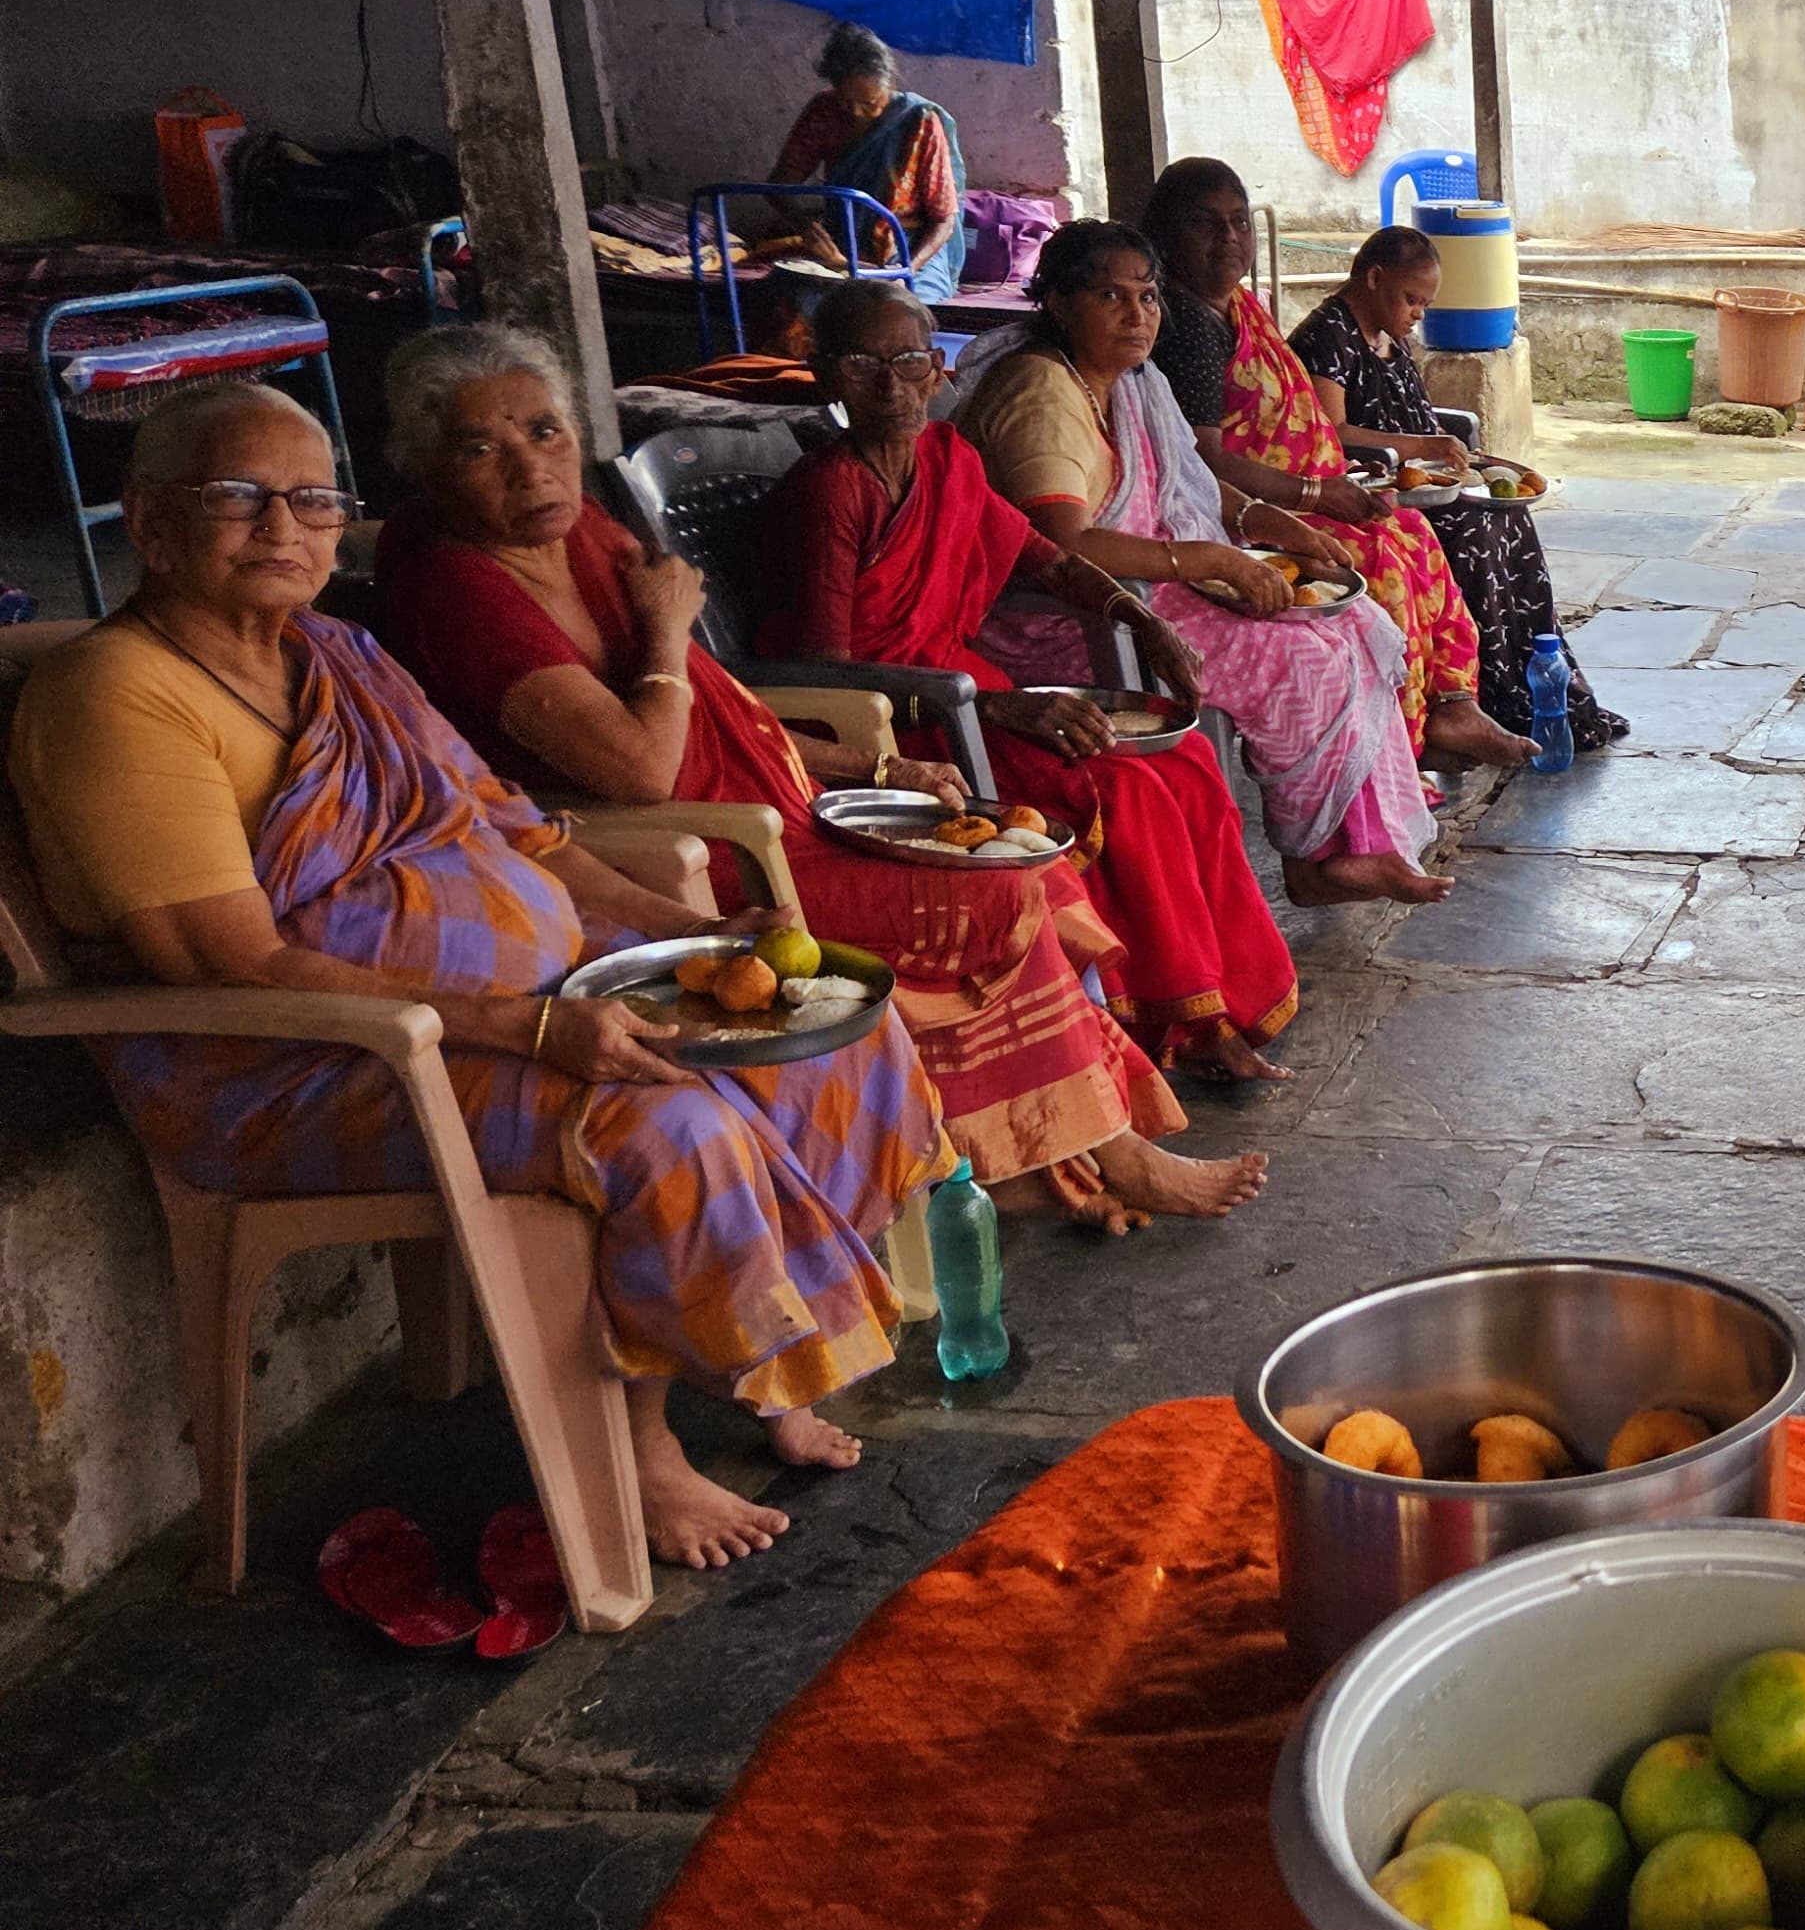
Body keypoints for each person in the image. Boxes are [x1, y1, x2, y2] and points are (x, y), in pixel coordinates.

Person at [7, 383, 946, 1569]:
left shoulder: (337, 654)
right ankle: (645, 1454)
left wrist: (703, 939)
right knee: (666, 1123)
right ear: (148, 522)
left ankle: (770, 1354)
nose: (283, 528)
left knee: (827, 1034)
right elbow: (225, 962)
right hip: (287, 1064)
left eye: (311, 500)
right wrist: (528, 1025)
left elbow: (515, 831)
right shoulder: (117, 694)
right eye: (238, 498)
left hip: (501, 1011)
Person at [372, 324, 1267, 1232]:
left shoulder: (582, 535)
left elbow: (731, 716)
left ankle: (1044, 1150)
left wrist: (877, 766)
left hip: (781, 797)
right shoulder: (463, 589)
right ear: (426, 470)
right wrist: (668, 628)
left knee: (1022, 858)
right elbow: (642, 766)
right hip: (697, 853)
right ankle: (1107, 1152)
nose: (530, 469)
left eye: (544, 431)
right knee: (996, 891)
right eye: (480, 449)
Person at [764, 280, 1303, 1084]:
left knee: (1184, 760)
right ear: (825, 374)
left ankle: (1229, 996)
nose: (891, 385)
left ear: (937, 370)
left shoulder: (948, 460)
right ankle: (1180, 1018)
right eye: (862, 364)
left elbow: (1046, 560)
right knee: (1124, 793)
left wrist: (1141, 619)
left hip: (971, 693)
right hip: (900, 719)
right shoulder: (831, 488)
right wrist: (1001, 707)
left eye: (909, 361)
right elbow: (825, 673)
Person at [951, 221, 1452, 907]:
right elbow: (1064, 545)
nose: (1137, 315)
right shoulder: (1041, 393)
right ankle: (1314, 861)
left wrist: (1272, 522)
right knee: (1302, 660)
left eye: (1148, 296)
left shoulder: (1131, 383)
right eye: (1110, 296)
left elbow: (1187, 481)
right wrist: (1212, 559)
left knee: (1354, 622)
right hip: (1069, 618)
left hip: (1150, 588)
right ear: (1060, 304)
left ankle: (1364, 844)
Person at [1139, 158, 1534, 771]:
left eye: (1239, 221)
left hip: (1314, 491)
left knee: (1415, 536)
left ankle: (1453, 705)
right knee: (1382, 567)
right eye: (1206, 224)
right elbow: (1203, 463)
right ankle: (1392, 751)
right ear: (1166, 234)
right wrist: (1315, 496)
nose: (1229, 238)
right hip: (1253, 514)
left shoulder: (1236, 307)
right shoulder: (1186, 327)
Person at [1287, 227, 1624, 752]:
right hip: (1367, 489)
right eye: (1411, 299)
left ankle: (1530, 684)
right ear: (1374, 278)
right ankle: (1475, 699)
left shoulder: (1387, 335)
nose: (1418, 313)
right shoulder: (1326, 337)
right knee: (1472, 533)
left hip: (1422, 481)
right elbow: (1336, 434)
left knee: (1510, 519)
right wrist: (1423, 446)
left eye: (1425, 303)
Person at [766, 21, 967, 302]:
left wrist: (905, 272)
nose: (856, 113)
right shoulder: (824, 112)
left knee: (897, 308)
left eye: (870, 103)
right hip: (841, 247)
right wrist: (807, 229)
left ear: (890, 84)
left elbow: (943, 220)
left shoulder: (919, 122)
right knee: (797, 301)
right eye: (845, 102)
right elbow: (778, 187)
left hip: (908, 252)